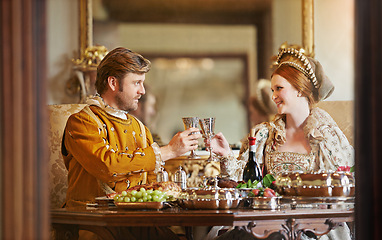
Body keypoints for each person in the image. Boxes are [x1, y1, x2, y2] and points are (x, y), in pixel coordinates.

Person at [208, 47, 354, 240]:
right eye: (272, 89)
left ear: (300, 89)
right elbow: (243, 184)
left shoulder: (326, 136)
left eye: (279, 88)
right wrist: (227, 155)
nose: (273, 96)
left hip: (314, 226)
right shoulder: (264, 135)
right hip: (267, 221)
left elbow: (346, 187)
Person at [62, 47, 202, 208]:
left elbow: (152, 184)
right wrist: (168, 151)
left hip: (138, 220)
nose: (142, 91)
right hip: (94, 223)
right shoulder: (82, 122)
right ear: (113, 83)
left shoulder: (140, 128)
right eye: (137, 83)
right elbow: (107, 166)